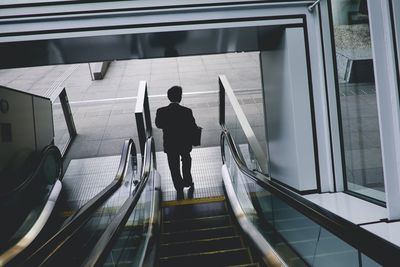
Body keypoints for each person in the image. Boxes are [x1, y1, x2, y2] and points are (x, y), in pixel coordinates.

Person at [155, 86, 197, 200]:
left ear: (168, 97)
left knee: (173, 166)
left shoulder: (161, 111)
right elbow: (193, 127)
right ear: (180, 97)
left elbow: (158, 124)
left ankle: (178, 187)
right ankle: (188, 181)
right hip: (184, 143)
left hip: (170, 144)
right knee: (186, 161)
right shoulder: (187, 111)